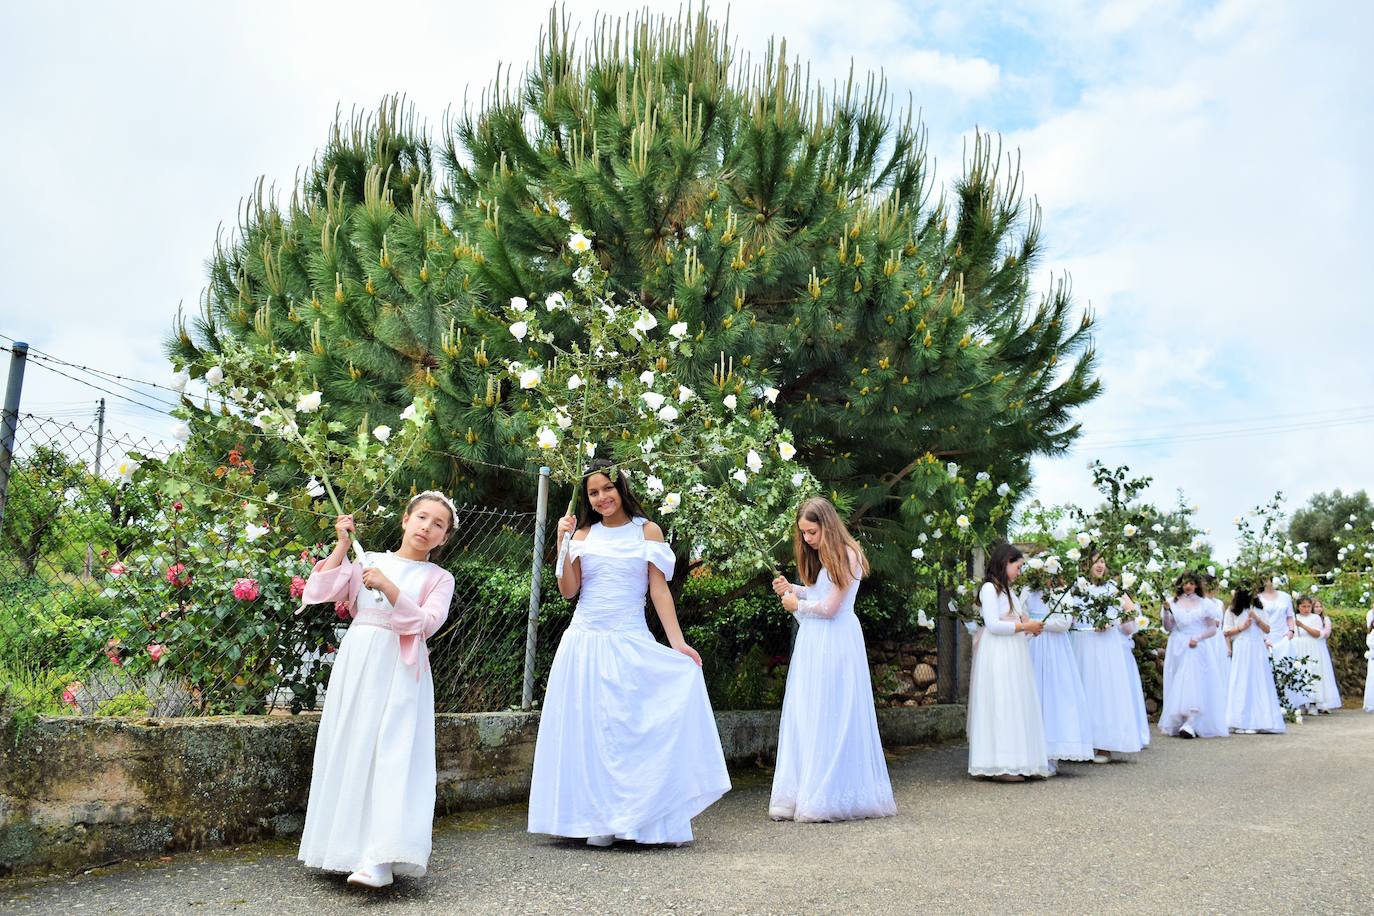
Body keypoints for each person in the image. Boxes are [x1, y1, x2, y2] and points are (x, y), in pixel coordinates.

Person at [528, 461, 730, 847]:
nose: (602, 498)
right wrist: (562, 544)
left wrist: (677, 643)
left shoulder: (647, 530)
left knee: (627, 729)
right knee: (592, 732)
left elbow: (659, 590)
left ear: (621, 487)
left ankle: (635, 819)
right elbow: (569, 591)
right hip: (584, 641)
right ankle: (597, 821)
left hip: (629, 638)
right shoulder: (583, 533)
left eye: (608, 489)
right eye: (593, 493)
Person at [297, 492, 458, 888]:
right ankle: (343, 850)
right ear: (405, 520)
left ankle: (380, 859)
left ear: (443, 538)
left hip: (402, 673)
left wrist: (389, 588)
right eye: (422, 517)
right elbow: (320, 590)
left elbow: (424, 623)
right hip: (358, 664)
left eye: (438, 524)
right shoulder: (368, 562)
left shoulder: (439, 578)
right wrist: (341, 544)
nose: (427, 527)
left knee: (393, 752)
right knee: (352, 745)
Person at [768, 497, 896, 821]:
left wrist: (797, 606)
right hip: (814, 643)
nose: (808, 539)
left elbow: (831, 607)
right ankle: (801, 791)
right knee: (808, 712)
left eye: (812, 532)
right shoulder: (821, 556)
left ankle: (829, 794)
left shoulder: (848, 555)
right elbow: (817, 595)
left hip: (837, 641)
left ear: (827, 524)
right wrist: (793, 589)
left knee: (832, 711)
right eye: (804, 534)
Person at [966, 543, 1052, 781]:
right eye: (1018, 566)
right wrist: (1025, 626)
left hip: (1014, 652)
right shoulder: (989, 590)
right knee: (1001, 702)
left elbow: (1015, 620)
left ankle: (1020, 761)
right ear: (1005, 563)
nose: (1020, 572)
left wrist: (1031, 627)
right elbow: (993, 625)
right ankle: (1000, 764)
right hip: (997, 653)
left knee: (1016, 702)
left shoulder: (1009, 591)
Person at [1071, 551, 1147, 762]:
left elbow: (1131, 612)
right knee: (1084, 690)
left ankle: (1105, 745)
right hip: (1083, 642)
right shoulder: (1077, 588)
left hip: (1106, 644)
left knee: (1105, 691)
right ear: (1085, 564)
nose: (1100, 565)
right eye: (1096, 561)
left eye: (1103, 561)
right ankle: (1083, 743)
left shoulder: (1112, 588)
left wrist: (1111, 622)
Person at [1023, 579, 1095, 764]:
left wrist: (1039, 624)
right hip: (1032, 643)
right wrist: (1029, 625)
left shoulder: (1061, 592)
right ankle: (1030, 753)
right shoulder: (1028, 591)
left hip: (1054, 648)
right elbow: (1021, 615)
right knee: (1034, 693)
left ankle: (1053, 753)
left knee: (1055, 695)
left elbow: (1064, 622)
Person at [1158, 573, 1227, 738]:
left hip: (1196, 646)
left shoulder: (1205, 604)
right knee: (1178, 681)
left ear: (1196, 585)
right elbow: (1168, 627)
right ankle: (1181, 721)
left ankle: (1192, 721)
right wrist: (1167, 612)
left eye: (1191, 583)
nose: (1187, 586)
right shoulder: (1172, 602)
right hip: (1177, 645)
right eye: (1184, 583)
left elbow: (1212, 629)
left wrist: (1198, 637)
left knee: (1194, 681)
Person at [1223, 585, 1285, 735]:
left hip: (1257, 647)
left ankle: (1260, 720)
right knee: (1242, 681)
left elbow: (1267, 629)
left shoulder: (1258, 608)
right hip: (1242, 646)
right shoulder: (1232, 610)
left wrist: (1257, 619)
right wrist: (1242, 627)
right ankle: (1240, 721)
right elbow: (1226, 631)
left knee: (1259, 681)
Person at [1310, 598, 1342, 713]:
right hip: (1311, 648)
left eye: (1320, 606)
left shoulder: (1325, 619)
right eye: (1316, 607)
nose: (1318, 609)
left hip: (1321, 648)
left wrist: (1318, 632)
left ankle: (1325, 703)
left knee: (1324, 673)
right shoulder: (1309, 619)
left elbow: (1326, 633)